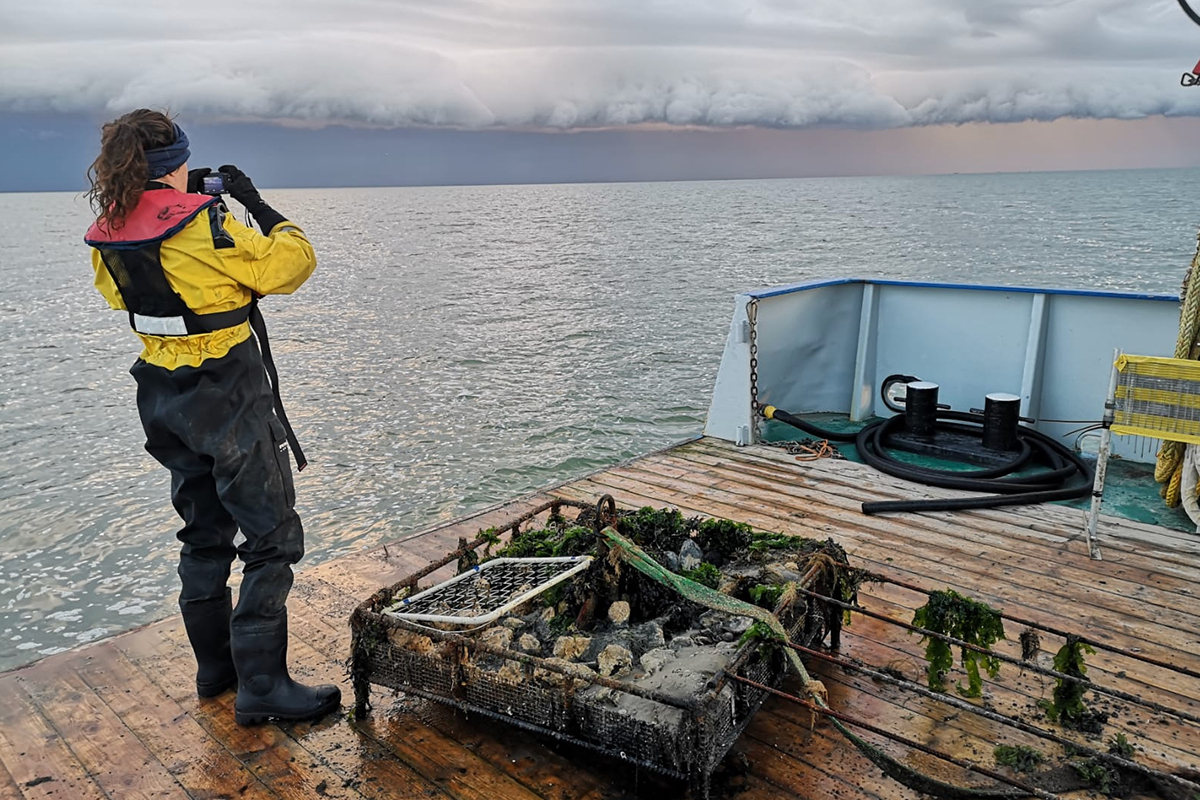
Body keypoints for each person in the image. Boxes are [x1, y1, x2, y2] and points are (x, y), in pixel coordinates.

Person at [84, 109, 340, 725]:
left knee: (203, 535)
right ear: (177, 163)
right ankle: (262, 685)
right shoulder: (207, 223)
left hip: (161, 397)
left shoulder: (109, 231)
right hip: (227, 395)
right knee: (272, 538)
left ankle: (216, 671)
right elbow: (293, 264)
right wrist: (255, 204)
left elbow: (113, 294)